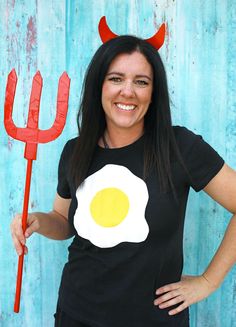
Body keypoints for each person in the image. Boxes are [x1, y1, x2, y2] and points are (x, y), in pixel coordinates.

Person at [11, 30, 236, 327]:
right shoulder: (75, 150)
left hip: (154, 320)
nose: (127, 91)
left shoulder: (180, 146)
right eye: (116, 78)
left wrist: (209, 281)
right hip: (77, 313)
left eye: (141, 81)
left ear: (153, 92)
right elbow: (64, 220)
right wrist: (38, 221)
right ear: (99, 86)